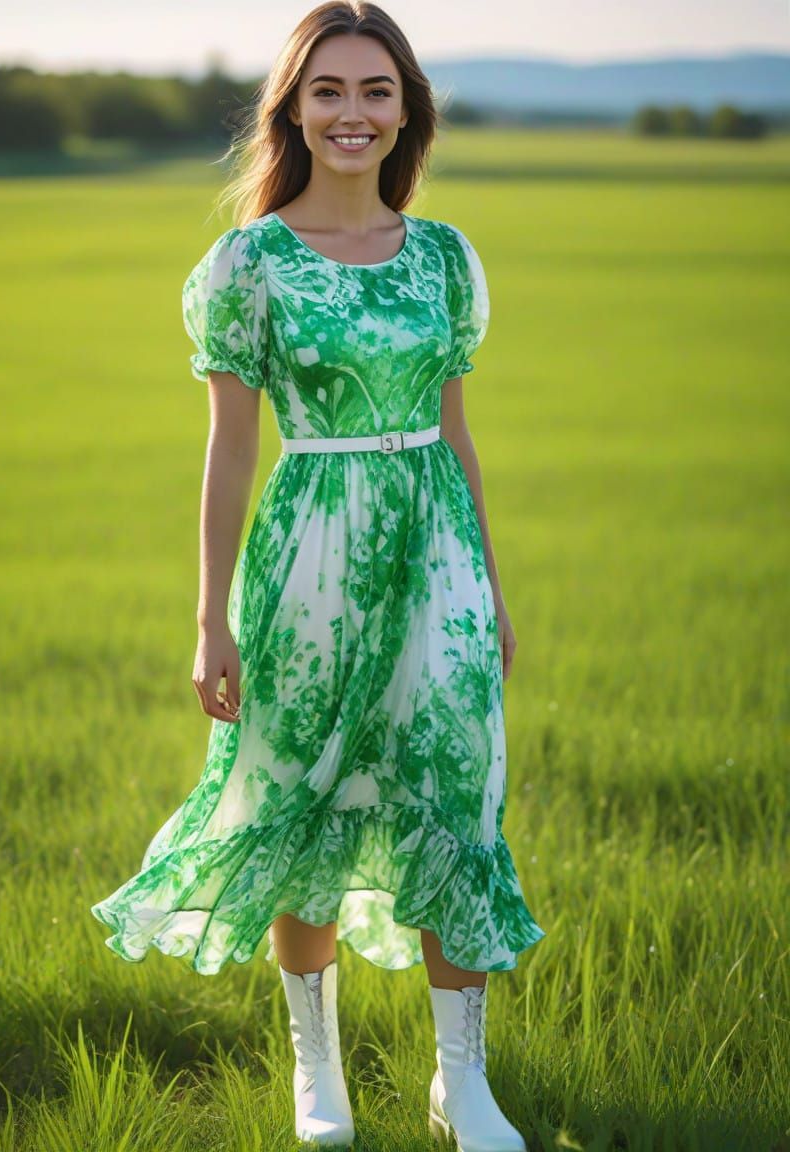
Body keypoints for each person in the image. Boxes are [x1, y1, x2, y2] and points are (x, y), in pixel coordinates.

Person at [90, 3, 545, 1148]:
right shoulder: (248, 264)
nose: (353, 113)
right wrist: (209, 617)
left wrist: (487, 586)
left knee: (455, 793)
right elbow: (231, 451)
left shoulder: (442, 256)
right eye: (329, 91)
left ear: (406, 111)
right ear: (292, 107)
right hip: (309, 558)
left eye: (376, 91)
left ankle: (461, 1083)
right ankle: (318, 1075)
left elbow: (455, 432)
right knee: (303, 798)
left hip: (431, 549)